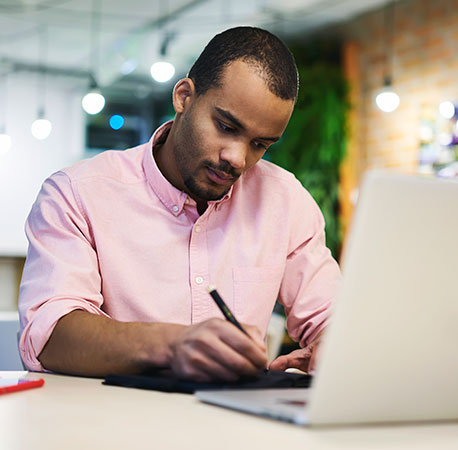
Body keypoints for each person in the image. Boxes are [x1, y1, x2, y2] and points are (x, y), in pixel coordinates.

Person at [18, 27, 341, 382]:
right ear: (184, 97)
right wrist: (172, 345)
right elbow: (49, 336)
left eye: (260, 144)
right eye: (225, 126)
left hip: (235, 433)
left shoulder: (285, 201)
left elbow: (333, 316)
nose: (237, 158)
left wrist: (334, 343)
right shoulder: (77, 194)